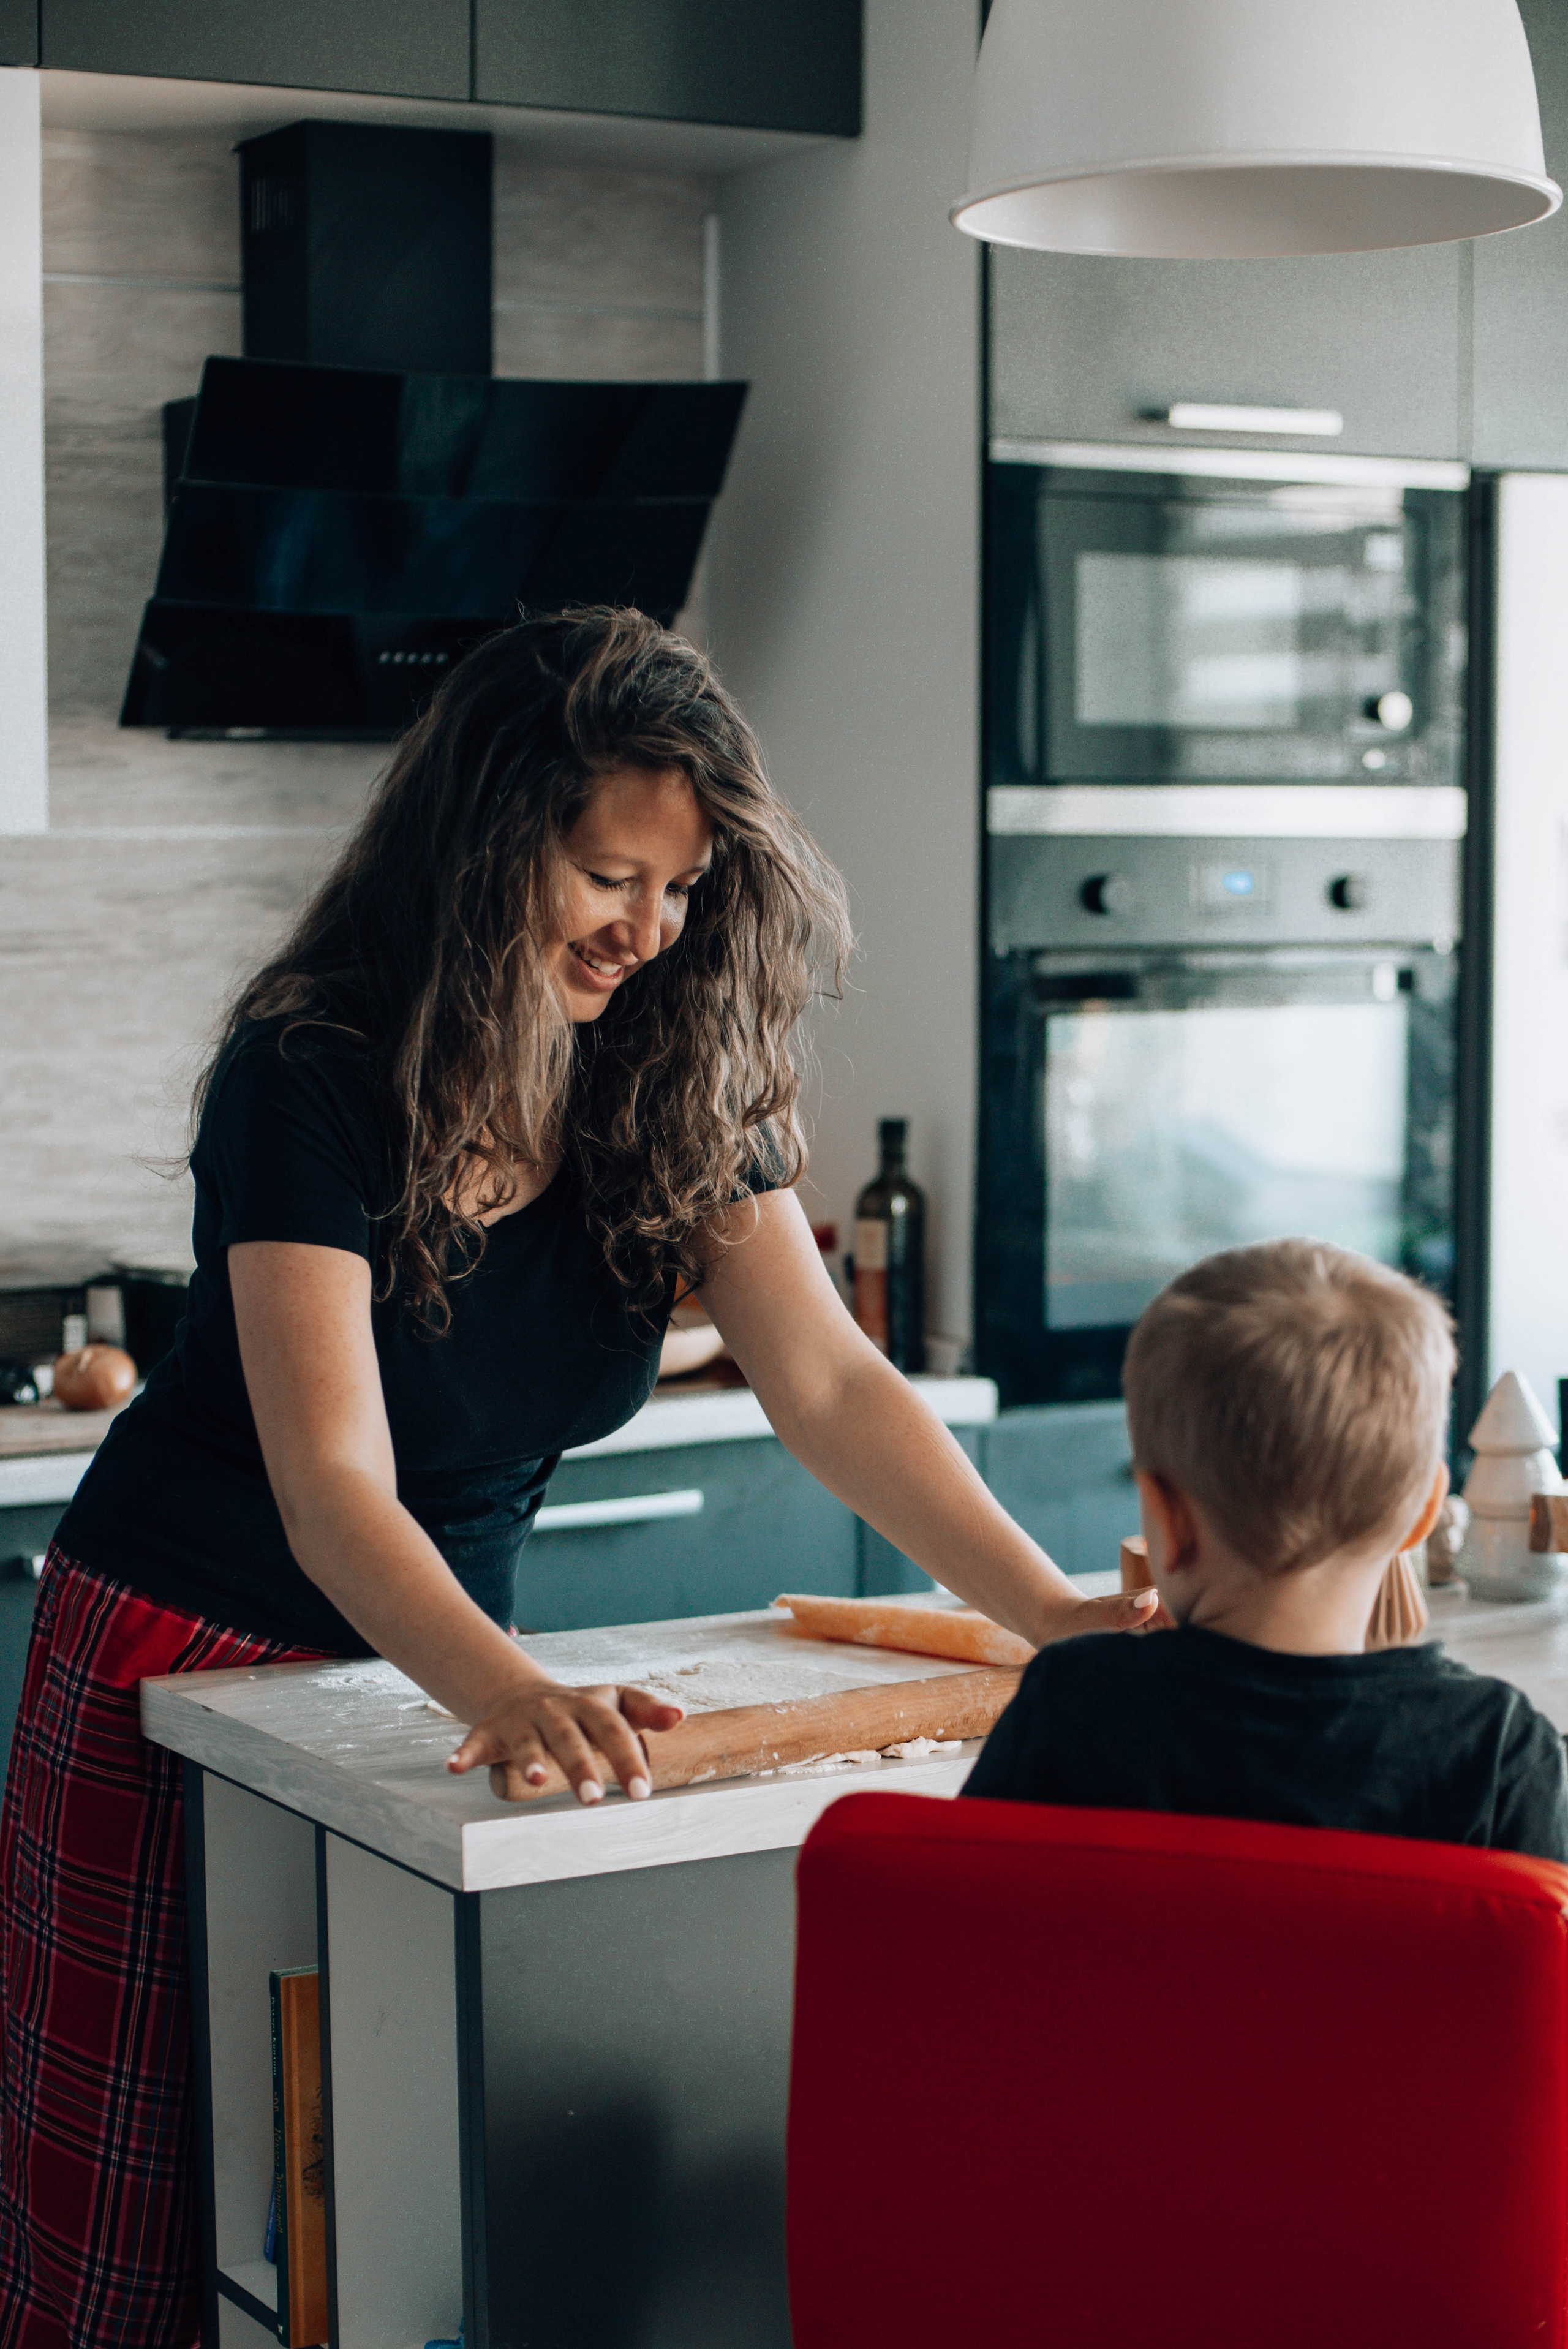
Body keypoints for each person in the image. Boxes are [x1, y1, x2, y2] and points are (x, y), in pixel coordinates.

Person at [0, 608, 1156, 2349]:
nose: (652, 930)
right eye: (611, 874)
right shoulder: (308, 1072)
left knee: (347, 2231)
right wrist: (513, 1684)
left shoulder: (669, 1070)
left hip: (429, 1672)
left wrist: (1053, 1612)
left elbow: (835, 1384)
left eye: (684, 888)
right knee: (138, 2216)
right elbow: (332, 1481)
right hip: (178, 1660)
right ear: (485, 844)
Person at [965, 1237, 1568, 1860]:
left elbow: (949, 1929)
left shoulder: (1070, 1708)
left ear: (1167, 1521)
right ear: (1422, 1515)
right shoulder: (1497, 1754)